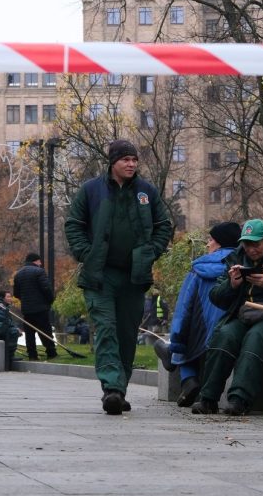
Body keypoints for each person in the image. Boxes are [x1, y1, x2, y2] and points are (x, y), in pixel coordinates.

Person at [65, 138, 174, 415]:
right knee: (106, 329)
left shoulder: (146, 192)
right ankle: (111, 388)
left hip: (134, 277)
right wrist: (85, 252)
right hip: (100, 275)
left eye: (134, 160)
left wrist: (151, 252)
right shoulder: (91, 190)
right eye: (126, 159)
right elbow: (74, 224)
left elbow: (163, 225)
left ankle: (119, 389)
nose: (131, 164)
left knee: (126, 335)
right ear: (113, 162)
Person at [190, 218, 263, 416]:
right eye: (247, 244)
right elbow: (216, 297)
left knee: (255, 338)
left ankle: (239, 399)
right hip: (243, 315)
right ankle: (208, 398)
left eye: (256, 244)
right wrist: (232, 285)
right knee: (225, 335)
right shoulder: (234, 260)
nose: (251, 249)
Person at [158, 221, 241, 406]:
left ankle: (188, 380)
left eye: (210, 240)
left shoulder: (199, 268)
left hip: (203, 336)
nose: (207, 244)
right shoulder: (244, 267)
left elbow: (183, 310)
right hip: (234, 330)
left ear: (219, 243)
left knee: (177, 342)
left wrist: (176, 341)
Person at [12, 252, 58, 360]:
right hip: (41, 307)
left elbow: (16, 293)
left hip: (27, 309)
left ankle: (32, 355)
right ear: (35, 261)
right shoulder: (39, 271)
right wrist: (50, 300)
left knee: (29, 332)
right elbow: (46, 288)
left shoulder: (18, 274)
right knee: (45, 330)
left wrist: (25, 300)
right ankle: (51, 352)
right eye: (40, 261)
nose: (41, 263)